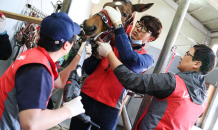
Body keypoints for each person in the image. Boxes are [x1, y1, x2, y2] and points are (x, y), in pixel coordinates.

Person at [70, 6, 162, 130]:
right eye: (140, 24)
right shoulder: (111, 42)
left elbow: (129, 57)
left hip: (109, 108)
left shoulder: (145, 59)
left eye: (145, 29)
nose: (139, 28)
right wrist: (95, 56)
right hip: (86, 97)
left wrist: (118, 25)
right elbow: (89, 69)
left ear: (151, 39)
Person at [97, 37, 216, 129]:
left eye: (187, 54)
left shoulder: (172, 82)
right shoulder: (203, 102)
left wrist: (109, 53)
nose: (181, 57)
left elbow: (132, 80)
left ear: (196, 64)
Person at [0, 12, 92, 130]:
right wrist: (69, 110)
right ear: (66, 45)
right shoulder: (38, 70)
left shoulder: (35, 55)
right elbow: (31, 123)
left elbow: (60, 81)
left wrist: (80, 56)